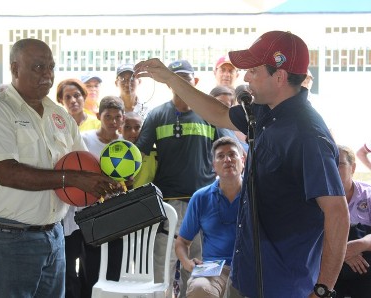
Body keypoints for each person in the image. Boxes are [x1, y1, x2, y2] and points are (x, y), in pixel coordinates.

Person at [134, 30, 349, 298]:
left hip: (284, 284)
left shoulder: (307, 134)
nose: (245, 77)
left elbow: (338, 214)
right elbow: (219, 113)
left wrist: (323, 289)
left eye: (254, 71)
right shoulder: (265, 111)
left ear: (279, 77)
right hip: (248, 274)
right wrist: (170, 79)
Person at [0, 38, 122, 297]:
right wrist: (72, 178)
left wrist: (106, 183)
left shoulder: (59, 116)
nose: (47, 74)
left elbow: (83, 165)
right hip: (10, 240)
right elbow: (6, 172)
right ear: (15, 69)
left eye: (50, 67)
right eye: (38, 67)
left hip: (54, 236)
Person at [135, 59, 236, 298]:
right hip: (167, 206)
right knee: (163, 266)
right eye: (175, 80)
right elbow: (139, 154)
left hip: (203, 205)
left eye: (185, 80)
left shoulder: (210, 115)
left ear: (195, 82)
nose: (180, 85)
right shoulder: (157, 115)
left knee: (200, 267)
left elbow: (230, 149)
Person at [176, 136, 244, 298]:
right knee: (199, 288)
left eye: (232, 154)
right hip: (213, 269)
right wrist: (187, 263)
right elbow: (182, 242)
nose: (227, 159)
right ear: (214, 165)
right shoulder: (201, 197)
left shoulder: (256, 194)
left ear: (243, 161)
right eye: (221, 156)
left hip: (249, 268)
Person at [55, 77, 100, 298]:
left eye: (77, 95)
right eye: (68, 97)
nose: (73, 100)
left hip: (91, 205)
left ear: (84, 97)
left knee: (90, 262)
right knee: (68, 260)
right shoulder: (57, 125)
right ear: (61, 101)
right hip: (66, 202)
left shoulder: (96, 125)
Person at [79, 95, 125, 298]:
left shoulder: (125, 146)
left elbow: (128, 179)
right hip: (90, 212)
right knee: (91, 265)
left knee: (114, 265)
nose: (113, 122)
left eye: (117, 117)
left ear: (123, 119)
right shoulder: (85, 139)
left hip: (116, 213)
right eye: (108, 116)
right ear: (99, 116)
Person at [335, 145, 371, 298]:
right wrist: (342, 252)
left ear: (353, 168)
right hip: (331, 263)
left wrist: (360, 245)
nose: (333, 169)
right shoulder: (314, 199)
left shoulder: (368, 195)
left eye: (340, 164)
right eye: (328, 164)